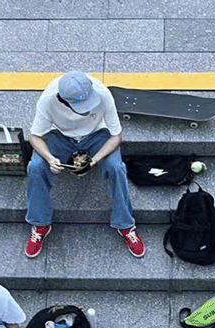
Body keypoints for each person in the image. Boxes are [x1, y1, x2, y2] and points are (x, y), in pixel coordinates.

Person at [24, 70, 144, 259]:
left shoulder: (102, 93)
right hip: (59, 137)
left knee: (117, 168)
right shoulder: (47, 100)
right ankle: (40, 224)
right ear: (63, 101)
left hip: (96, 136)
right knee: (36, 167)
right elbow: (34, 136)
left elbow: (116, 135)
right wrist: (49, 158)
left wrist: (95, 159)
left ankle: (126, 225)